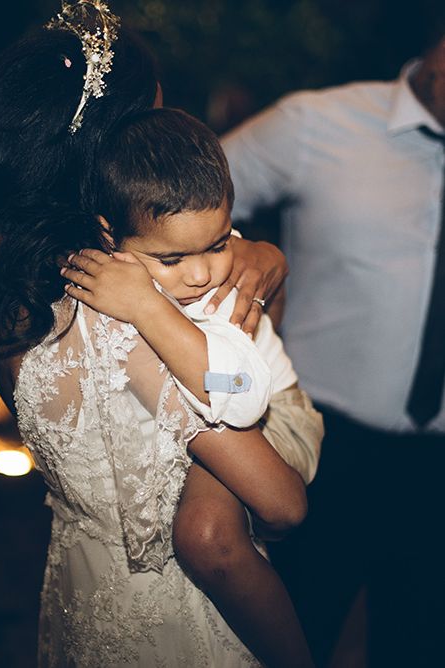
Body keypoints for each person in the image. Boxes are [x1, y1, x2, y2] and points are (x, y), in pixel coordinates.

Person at [0, 2, 302, 665]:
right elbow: (277, 501)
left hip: (79, 596)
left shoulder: (2, 295)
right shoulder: (139, 319)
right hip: (186, 624)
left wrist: (261, 257)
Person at [62, 106, 322, 665]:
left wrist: (148, 307)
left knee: (205, 535)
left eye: (219, 243)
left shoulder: (213, 290)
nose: (202, 273)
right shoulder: (122, 257)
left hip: (278, 411)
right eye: (173, 259)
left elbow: (243, 392)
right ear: (109, 235)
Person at [220, 29, 445, 667]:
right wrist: (255, 256)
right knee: (291, 637)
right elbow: (169, 204)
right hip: (324, 450)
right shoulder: (316, 123)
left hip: (440, 473)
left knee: (422, 648)